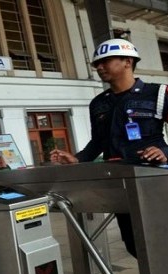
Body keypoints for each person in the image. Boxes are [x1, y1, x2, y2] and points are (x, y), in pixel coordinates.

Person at [50, 38, 168, 258]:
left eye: (106, 61)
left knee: (162, 240)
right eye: (96, 64)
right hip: (119, 184)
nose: (99, 67)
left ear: (127, 61)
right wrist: (78, 158)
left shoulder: (159, 93)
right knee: (136, 245)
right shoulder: (99, 103)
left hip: (155, 181)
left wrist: (164, 153)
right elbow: (98, 142)